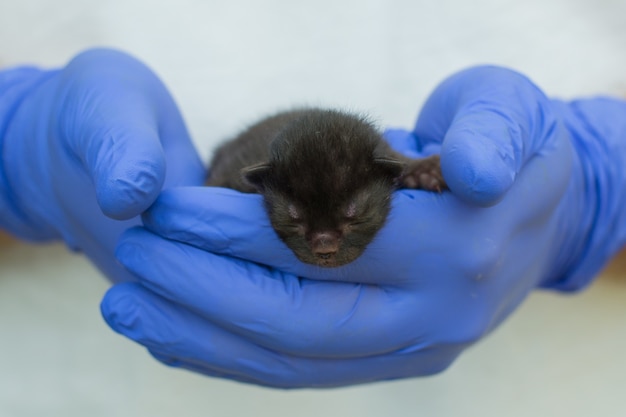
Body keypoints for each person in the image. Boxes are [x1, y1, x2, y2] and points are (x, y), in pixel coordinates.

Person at [1, 48, 625, 388]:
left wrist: (595, 195)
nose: (325, 242)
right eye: (302, 219)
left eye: (348, 216)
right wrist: (17, 157)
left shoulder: (389, 164)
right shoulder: (258, 175)